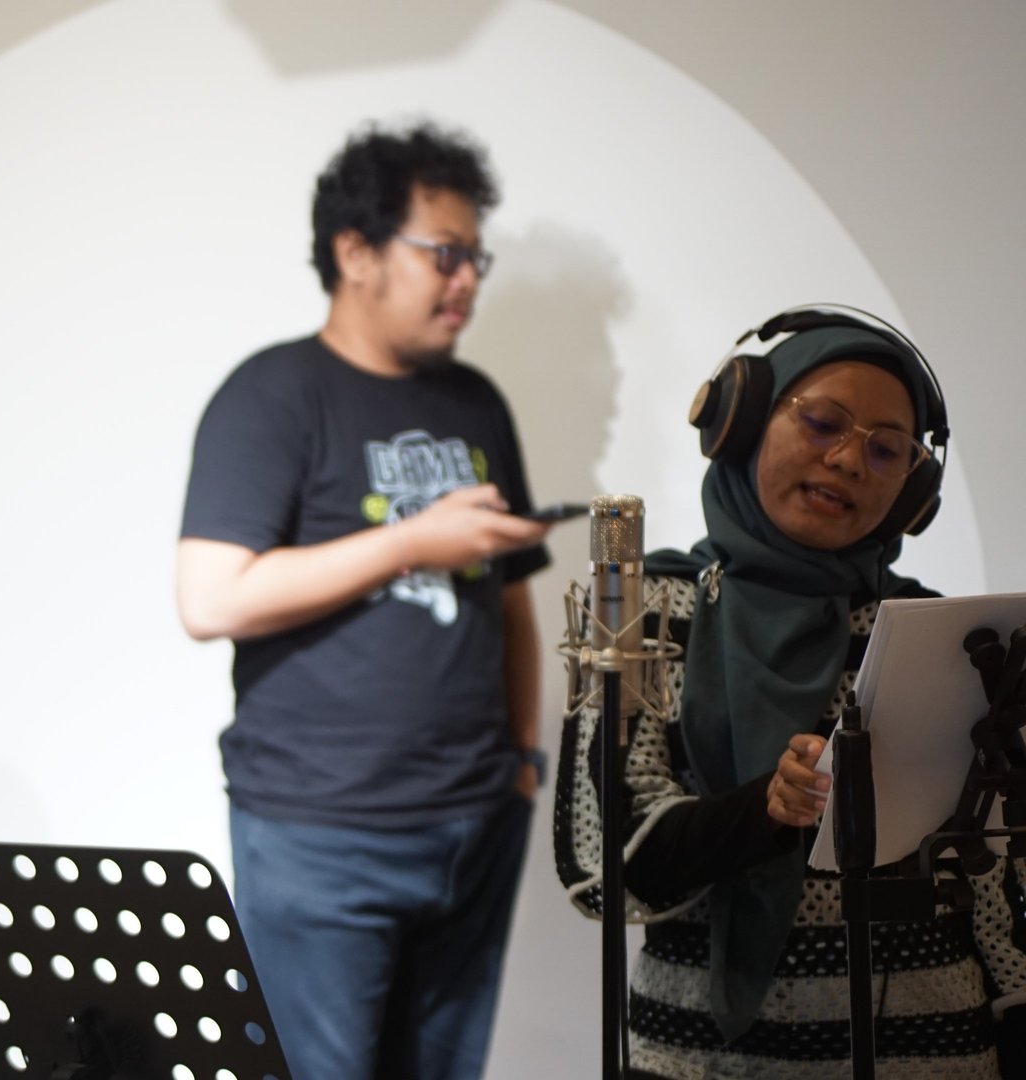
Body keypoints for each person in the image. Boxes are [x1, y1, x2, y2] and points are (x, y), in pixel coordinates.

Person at [552, 307, 1026, 1077]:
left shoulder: (939, 632)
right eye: (823, 423)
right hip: (697, 1060)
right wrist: (766, 810)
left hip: (932, 1052)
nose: (847, 460)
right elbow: (604, 862)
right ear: (741, 424)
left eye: (885, 449)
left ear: (914, 488)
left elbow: (1000, 877)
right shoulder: (639, 609)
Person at [175, 122, 552, 1080]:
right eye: (444, 253)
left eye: (476, 258)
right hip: (320, 835)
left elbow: (511, 601)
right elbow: (210, 598)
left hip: (475, 824)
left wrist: (521, 760)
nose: (467, 281)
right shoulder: (272, 395)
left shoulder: (476, 402)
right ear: (356, 253)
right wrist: (413, 543)